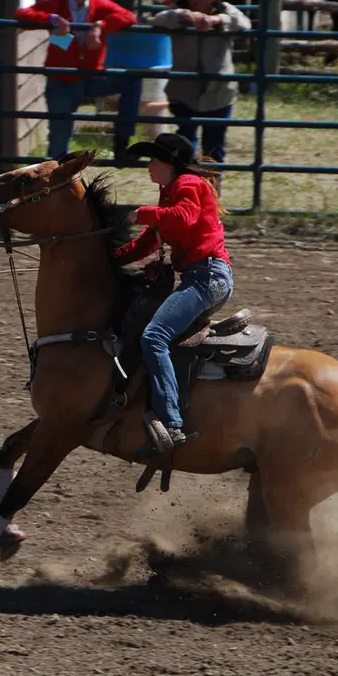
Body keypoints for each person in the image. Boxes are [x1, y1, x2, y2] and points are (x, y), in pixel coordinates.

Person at [114, 131, 234, 457]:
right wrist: (109, 259)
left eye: (153, 160)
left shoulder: (188, 186)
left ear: (169, 163)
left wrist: (142, 213)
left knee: (154, 336)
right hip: (202, 277)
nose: (148, 167)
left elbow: (184, 219)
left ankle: (171, 422)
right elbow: (148, 242)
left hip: (207, 278)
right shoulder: (170, 193)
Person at [15, 0, 141, 161]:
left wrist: (101, 25)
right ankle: (57, 179)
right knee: (59, 137)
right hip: (62, 77)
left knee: (132, 80)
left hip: (92, 75)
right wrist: (52, 19)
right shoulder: (57, 4)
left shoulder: (99, 3)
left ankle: (122, 141)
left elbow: (129, 16)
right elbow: (21, 14)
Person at [150, 0, 251, 164]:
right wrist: (182, 15)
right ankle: (191, 189)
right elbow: (157, 20)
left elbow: (244, 23)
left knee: (215, 147)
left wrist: (217, 20)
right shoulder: (178, 12)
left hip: (218, 90)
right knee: (186, 145)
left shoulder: (225, 10)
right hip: (184, 90)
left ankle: (211, 192)